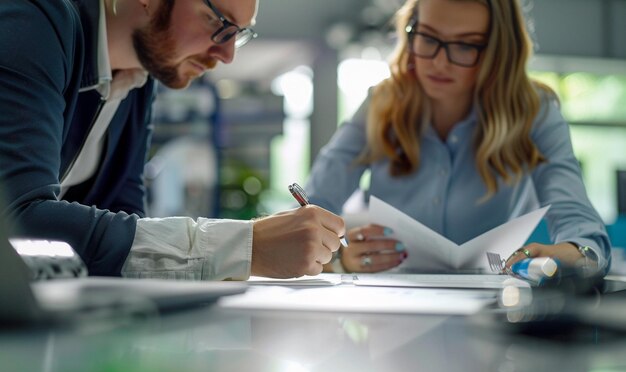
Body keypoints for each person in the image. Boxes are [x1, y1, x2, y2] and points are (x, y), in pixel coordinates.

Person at [0, 0, 345, 280]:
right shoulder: (32, 19)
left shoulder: (140, 76)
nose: (226, 56)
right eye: (218, 22)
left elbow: (123, 225)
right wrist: (241, 246)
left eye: (238, 34)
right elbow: (16, 220)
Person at [305, 0, 610, 277]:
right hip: (393, 305)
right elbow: (309, 214)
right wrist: (341, 256)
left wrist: (573, 255)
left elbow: (582, 232)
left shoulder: (533, 112)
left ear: (497, 51)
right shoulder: (380, 105)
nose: (439, 62)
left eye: (465, 46)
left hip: (493, 312)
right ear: (411, 32)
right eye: (428, 37)